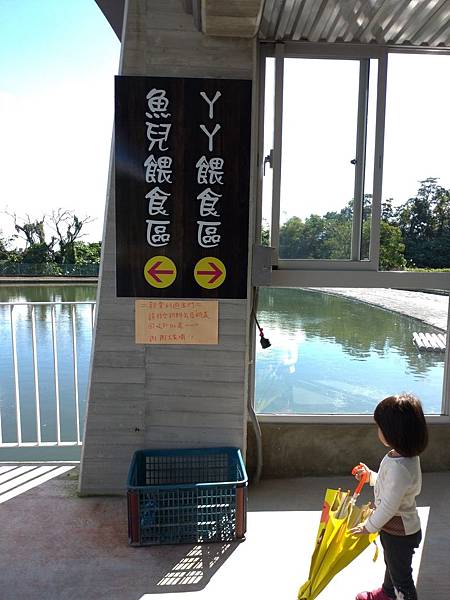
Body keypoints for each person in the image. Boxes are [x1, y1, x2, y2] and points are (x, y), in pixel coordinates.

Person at [349, 393, 428, 600]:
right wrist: (371, 477)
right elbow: (391, 488)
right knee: (392, 564)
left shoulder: (400, 468)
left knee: (402, 578)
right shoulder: (401, 456)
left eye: (380, 427)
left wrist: (369, 526)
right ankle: (387, 592)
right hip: (397, 529)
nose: (378, 431)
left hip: (399, 533)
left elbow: (389, 506)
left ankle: (401, 595)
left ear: (394, 432)